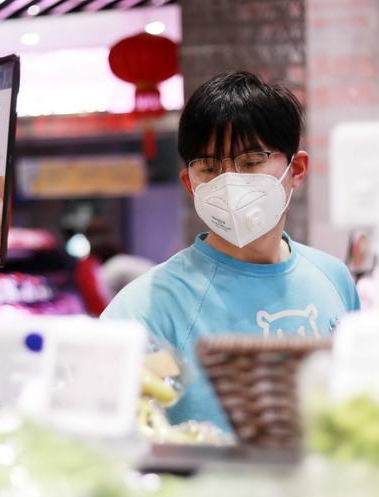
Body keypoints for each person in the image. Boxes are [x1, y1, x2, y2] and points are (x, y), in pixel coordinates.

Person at [101, 71, 360, 431]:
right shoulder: (148, 306)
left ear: (297, 169)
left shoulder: (333, 278)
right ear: (190, 183)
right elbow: (103, 427)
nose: (229, 182)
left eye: (251, 162)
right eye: (209, 168)